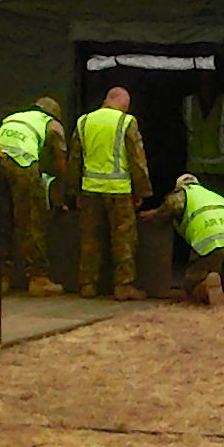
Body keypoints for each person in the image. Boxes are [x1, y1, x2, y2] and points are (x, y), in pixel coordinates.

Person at [0, 95, 69, 298]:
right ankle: (38, 278)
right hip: (21, 163)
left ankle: (0, 277)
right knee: (31, 219)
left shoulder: (15, 117)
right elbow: (60, 160)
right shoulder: (51, 123)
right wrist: (63, 192)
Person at [72, 88, 151, 299]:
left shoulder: (84, 121)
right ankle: (123, 285)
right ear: (124, 104)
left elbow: (75, 160)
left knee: (90, 238)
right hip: (119, 191)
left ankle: (88, 284)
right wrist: (141, 190)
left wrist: (74, 191)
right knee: (123, 239)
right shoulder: (126, 122)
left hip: (90, 190)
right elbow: (136, 158)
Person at [157, 173, 224, 304]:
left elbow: (173, 206)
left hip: (213, 240)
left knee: (193, 282)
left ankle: (206, 285)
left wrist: (155, 214)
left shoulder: (184, 193)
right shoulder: (213, 195)